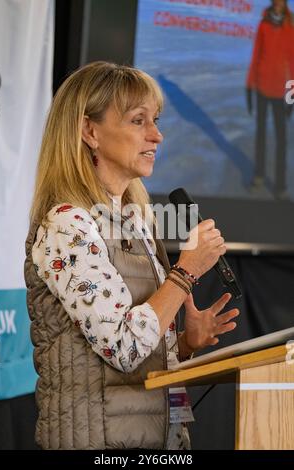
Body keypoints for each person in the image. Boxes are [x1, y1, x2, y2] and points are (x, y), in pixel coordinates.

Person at [25, 61, 239, 450]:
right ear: (89, 131)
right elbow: (123, 348)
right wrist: (185, 271)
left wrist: (184, 344)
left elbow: (140, 348)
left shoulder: (135, 222)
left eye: (155, 120)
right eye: (138, 121)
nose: (157, 135)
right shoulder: (67, 224)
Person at [246, 0, 294, 199]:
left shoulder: (290, 28)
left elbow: (293, 62)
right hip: (262, 89)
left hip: (280, 91)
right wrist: (249, 87)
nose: (278, 4)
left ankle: (280, 185)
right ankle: (258, 175)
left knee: (282, 138)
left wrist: (291, 95)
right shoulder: (263, 25)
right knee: (261, 135)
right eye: (276, 1)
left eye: (281, 2)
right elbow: (256, 56)